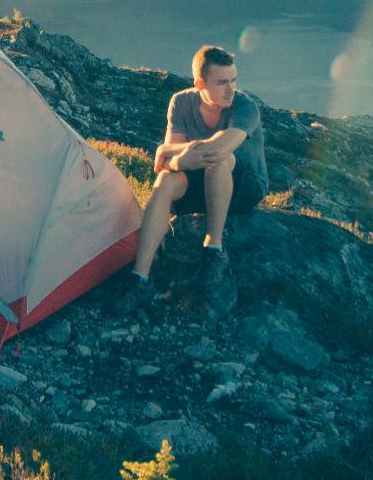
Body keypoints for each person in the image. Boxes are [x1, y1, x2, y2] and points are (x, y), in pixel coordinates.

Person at [113, 45, 266, 317]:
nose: (231, 89)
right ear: (200, 84)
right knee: (166, 181)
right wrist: (176, 158)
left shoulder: (245, 108)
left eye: (233, 80)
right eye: (221, 83)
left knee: (218, 159)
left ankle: (214, 249)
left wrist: (178, 154)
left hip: (244, 187)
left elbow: (216, 150)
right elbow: (167, 162)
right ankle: (140, 277)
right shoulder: (181, 102)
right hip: (199, 181)